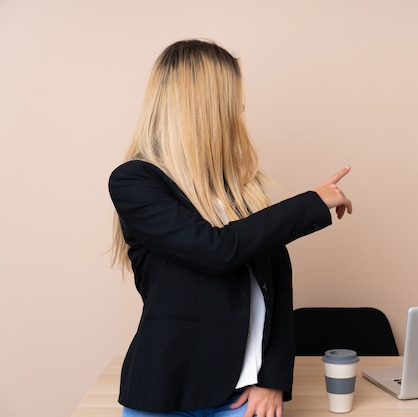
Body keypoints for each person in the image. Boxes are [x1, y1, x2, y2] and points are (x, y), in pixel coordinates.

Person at [108, 39, 352, 417]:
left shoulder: (241, 188)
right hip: (165, 395)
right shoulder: (134, 182)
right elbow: (216, 250)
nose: (241, 107)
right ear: (203, 105)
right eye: (233, 98)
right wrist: (311, 204)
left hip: (245, 399)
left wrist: (273, 380)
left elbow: (277, 285)